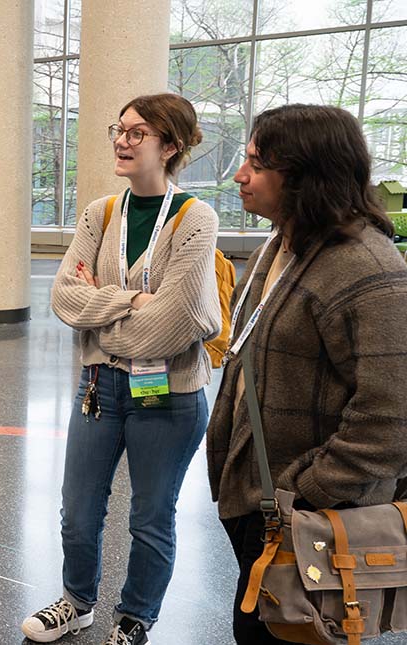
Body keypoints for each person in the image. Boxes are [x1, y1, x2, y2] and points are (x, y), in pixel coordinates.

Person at [23, 93, 221, 645]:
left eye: (138, 133)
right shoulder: (101, 212)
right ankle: (77, 602)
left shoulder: (195, 218)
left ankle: (135, 616)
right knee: (78, 512)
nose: (122, 140)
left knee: (150, 518)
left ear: (171, 146)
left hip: (169, 391)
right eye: (120, 128)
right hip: (100, 386)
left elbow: (175, 323)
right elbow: (64, 298)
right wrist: (134, 302)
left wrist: (102, 306)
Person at [207, 104, 407, 644]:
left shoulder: (368, 269)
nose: (239, 176)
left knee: (280, 634)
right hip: (262, 497)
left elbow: (390, 421)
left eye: (255, 163)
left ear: (305, 175)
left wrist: (303, 489)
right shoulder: (283, 244)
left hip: (311, 510)